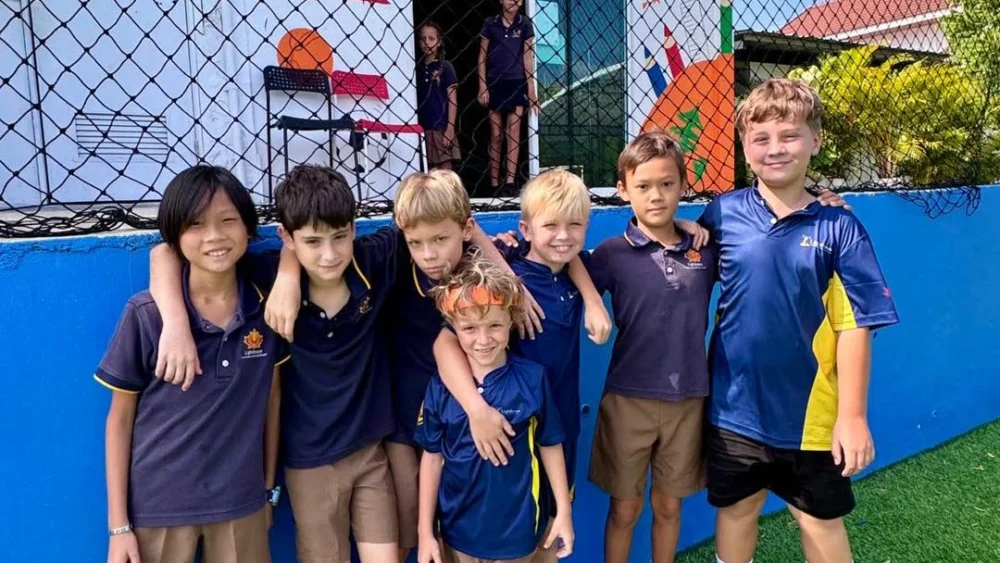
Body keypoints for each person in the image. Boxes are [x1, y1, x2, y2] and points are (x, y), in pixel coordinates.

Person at [699, 78, 899, 563]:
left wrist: (851, 417)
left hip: (812, 418)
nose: (775, 149)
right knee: (737, 509)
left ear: (816, 141)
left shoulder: (841, 227)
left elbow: (855, 326)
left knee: (818, 521)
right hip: (735, 410)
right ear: (744, 147)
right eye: (761, 138)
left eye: (789, 136)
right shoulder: (721, 215)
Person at [98, 165, 286, 563]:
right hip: (159, 510)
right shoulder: (147, 316)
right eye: (196, 224)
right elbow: (119, 421)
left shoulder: (267, 307)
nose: (215, 236)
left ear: (248, 228)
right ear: (176, 236)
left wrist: (268, 488)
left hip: (242, 505)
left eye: (228, 221)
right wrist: (119, 526)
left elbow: (272, 398)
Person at [585, 132, 718, 563]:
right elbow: (566, 262)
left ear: (683, 184)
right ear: (623, 189)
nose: (656, 196)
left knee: (669, 504)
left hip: (688, 398)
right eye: (642, 186)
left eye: (666, 184)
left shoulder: (704, 247)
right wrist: (591, 302)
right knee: (624, 508)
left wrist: (821, 195)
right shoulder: (610, 253)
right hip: (628, 399)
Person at [416, 254, 574, 563]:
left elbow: (550, 444)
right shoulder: (441, 387)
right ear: (453, 327)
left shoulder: (532, 378)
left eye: (494, 325)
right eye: (470, 328)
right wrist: (425, 531)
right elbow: (431, 459)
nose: (483, 339)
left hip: (519, 535)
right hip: (459, 533)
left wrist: (564, 512)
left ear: (512, 321)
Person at [479, 0, 537, 195]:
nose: (513, 1)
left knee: (513, 132)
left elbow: (528, 58)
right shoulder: (490, 23)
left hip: (517, 81)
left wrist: (531, 90)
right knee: (496, 135)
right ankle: (494, 182)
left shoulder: (525, 24)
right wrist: (482, 86)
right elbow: (482, 57)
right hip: (495, 81)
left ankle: (510, 182)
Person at [416, 22, 461, 171]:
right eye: (423, 38)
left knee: (444, 173)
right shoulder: (417, 68)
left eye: (431, 38)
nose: (427, 42)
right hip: (422, 127)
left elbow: (452, 100)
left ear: (439, 41)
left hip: (441, 127)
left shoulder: (445, 67)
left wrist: (450, 129)